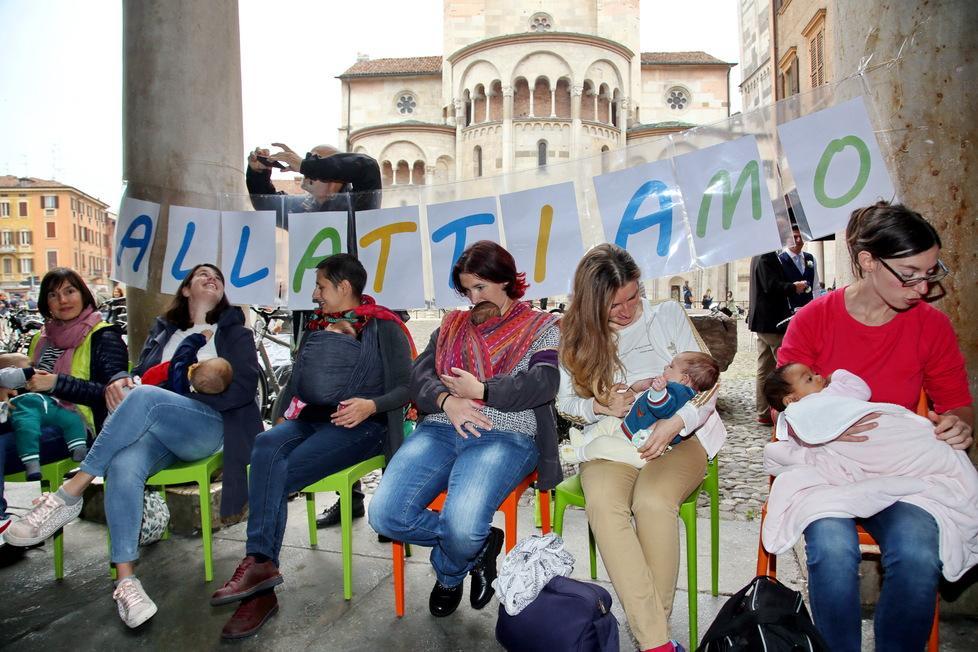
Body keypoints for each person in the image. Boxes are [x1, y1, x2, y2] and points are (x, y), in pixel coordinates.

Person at [6, 263, 262, 628]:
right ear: (186, 290)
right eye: (202, 275)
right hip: (158, 429)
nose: (211, 279)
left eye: (217, 278)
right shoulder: (165, 329)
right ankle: (126, 581)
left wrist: (188, 388)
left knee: (145, 398)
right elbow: (139, 373)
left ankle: (70, 492)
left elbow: (244, 389)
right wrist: (120, 383)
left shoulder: (232, 330)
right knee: (125, 463)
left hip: (208, 425)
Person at [775, 201, 973, 652]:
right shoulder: (814, 320)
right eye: (909, 274)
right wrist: (825, 429)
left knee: (921, 554)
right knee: (832, 551)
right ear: (868, 261)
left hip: (899, 473)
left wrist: (958, 426)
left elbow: (957, 404)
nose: (922, 287)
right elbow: (782, 406)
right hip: (828, 468)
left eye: (930, 272)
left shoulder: (931, 327)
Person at [210, 254, 413, 639]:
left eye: (321, 286)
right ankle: (261, 567)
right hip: (311, 419)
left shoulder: (384, 326)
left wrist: (370, 405)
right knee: (266, 445)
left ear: (344, 287)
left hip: (362, 427)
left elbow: (408, 387)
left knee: (280, 471)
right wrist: (283, 413)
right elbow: (297, 378)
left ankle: (259, 576)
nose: (315, 294)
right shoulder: (318, 324)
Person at [369, 240, 562, 619]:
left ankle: (450, 571)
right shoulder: (452, 324)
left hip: (504, 434)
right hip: (440, 427)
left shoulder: (543, 326)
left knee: (460, 528)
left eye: (481, 287)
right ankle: (481, 543)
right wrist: (447, 401)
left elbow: (544, 382)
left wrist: (484, 390)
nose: (473, 298)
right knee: (385, 515)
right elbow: (419, 375)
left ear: (506, 280)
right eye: (466, 289)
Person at [557, 244, 726, 652]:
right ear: (590, 301)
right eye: (614, 304)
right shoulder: (573, 335)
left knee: (652, 501)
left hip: (682, 437)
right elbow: (564, 404)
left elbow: (710, 385)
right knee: (604, 505)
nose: (627, 309)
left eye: (633, 296)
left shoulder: (665, 315)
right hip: (612, 439)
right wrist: (598, 404)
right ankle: (658, 644)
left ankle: (651, 636)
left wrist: (673, 423)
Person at [760, 364, 978, 583]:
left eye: (814, 374)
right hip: (843, 472)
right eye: (809, 379)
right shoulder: (800, 408)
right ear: (792, 400)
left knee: (916, 553)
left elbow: (860, 390)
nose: (818, 377)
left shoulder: (833, 392)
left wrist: (837, 376)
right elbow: (786, 419)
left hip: (891, 443)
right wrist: (818, 428)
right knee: (832, 549)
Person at [0, 268, 128, 543]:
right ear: (46, 304)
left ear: (83, 295)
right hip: (35, 418)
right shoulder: (41, 339)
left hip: (79, 428)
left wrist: (57, 383)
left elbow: (111, 394)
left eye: (70, 291)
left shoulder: (104, 336)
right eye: (53, 294)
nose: (63, 300)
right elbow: (31, 383)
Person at [560, 351, 719, 468]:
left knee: (603, 444)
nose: (666, 366)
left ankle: (579, 454)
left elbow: (663, 410)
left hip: (640, 449)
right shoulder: (672, 388)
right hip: (630, 430)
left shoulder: (679, 392)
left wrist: (657, 392)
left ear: (684, 379)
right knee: (609, 423)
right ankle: (584, 441)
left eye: (671, 366)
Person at [0, 353, 89, 479]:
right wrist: (28, 371)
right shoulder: (12, 376)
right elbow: (9, 376)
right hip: (25, 408)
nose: (35, 367)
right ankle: (32, 464)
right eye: (30, 365)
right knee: (27, 429)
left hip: (48, 407)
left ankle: (78, 446)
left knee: (71, 418)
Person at [747, 241, 799, 426]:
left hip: (763, 321)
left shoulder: (760, 254)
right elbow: (771, 286)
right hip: (771, 322)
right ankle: (780, 409)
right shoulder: (765, 255)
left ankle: (764, 411)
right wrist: (794, 287)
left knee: (764, 367)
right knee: (784, 366)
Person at [138, 329, 233, 395]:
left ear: (196, 365)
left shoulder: (180, 369)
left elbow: (184, 350)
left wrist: (201, 338)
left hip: (149, 382)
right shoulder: (190, 393)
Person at [778, 222, 822, 312]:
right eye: (794, 237)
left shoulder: (810, 258)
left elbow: (816, 286)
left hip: (809, 310)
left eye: (801, 237)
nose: (798, 240)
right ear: (786, 239)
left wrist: (817, 307)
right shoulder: (780, 259)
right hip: (789, 312)